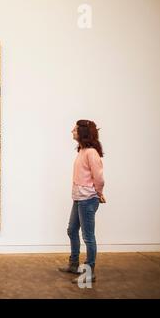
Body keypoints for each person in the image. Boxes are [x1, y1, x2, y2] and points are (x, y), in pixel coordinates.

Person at [59, 119, 105, 283]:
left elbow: (99, 177)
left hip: (87, 199)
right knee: (72, 230)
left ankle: (89, 272)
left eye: (75, 129)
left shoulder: (91, 152)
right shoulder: (82, 151)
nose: (72, 130)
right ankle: (73, 264)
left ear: (83, 132)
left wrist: (99, 193)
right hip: (79, 198)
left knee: (88, 237)